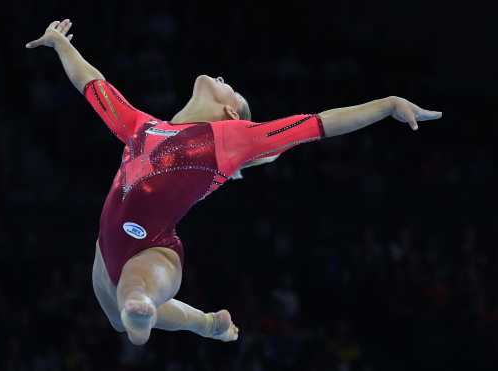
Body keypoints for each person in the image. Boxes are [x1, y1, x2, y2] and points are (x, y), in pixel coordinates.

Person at [26, 19, 442, 346]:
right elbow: (93, 85)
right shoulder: (143, 126)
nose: (220, 77)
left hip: (153, 248)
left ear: (230, 112)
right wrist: (62, 44)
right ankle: (206, 324)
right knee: (117, 318)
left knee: (133, 303)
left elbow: (317, 124)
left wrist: (387, 105)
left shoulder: (230, 139)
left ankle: (144, 313)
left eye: (229, 86)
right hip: (107, 248)